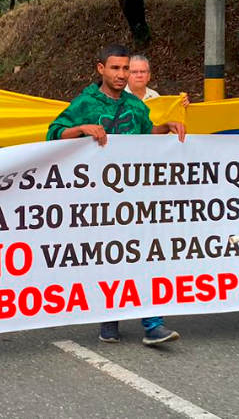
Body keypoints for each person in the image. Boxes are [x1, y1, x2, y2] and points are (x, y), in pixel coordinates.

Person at [47, 44, 187, 346]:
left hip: (134, 198)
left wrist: (166, 127)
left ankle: (153, 324)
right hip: (96, 200)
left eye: (126, 68)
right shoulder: (85, 102)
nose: (122, 74)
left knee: (144, 255)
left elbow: (146, 135)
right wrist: (82, 128)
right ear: (101, 69)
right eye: (115, 68)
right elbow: (53, 134)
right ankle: (109, 317)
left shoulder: (136, 106)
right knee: (109, 257)